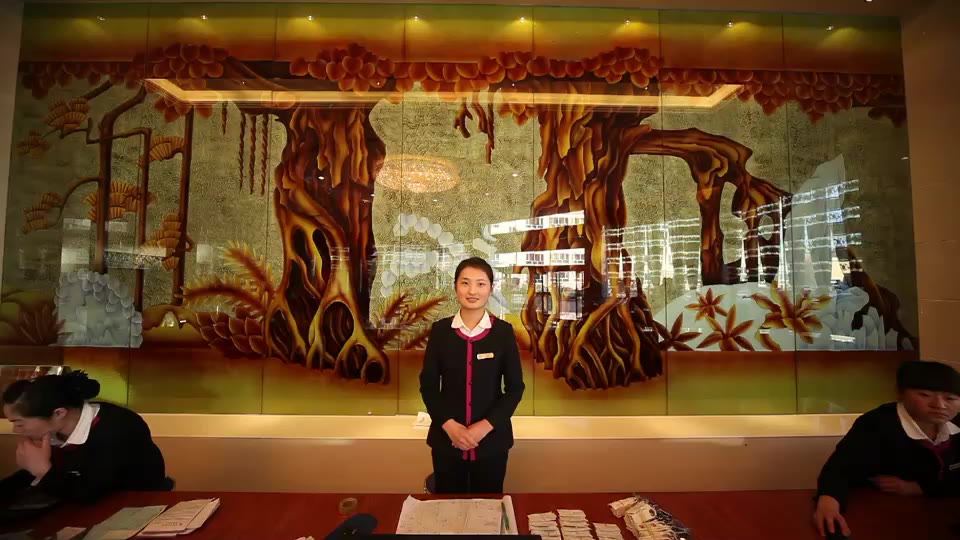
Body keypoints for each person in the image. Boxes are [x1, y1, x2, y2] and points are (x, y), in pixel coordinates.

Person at [813, 359, 960, 537]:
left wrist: (921, 488)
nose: (940, 405)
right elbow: (840, 469)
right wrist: (828, 503)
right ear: (900, 393)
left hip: (940, 514)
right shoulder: (877, 423)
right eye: (925, 395)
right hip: (880, 512)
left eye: (950, 398)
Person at [419, 257, 525, 494]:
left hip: (492, 443)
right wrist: (449, 426)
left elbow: (515, 389)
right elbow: (428, 386)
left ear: (491, 288)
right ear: (456, 286)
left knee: (488, 508)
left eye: (481, 284)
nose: (472, 291)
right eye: (465, 283)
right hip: (447, 442)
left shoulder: (503, 332)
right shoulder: (441, 331)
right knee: (447, 508)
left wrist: (484, 427)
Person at [0, 371, 168, 503]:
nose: (16, 430)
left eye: (19, 423)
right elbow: (39, 474)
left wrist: (43, 471)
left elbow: (91, 492)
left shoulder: (116, 429)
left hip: (132, 506)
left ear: (59, 413)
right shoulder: (56, 430)